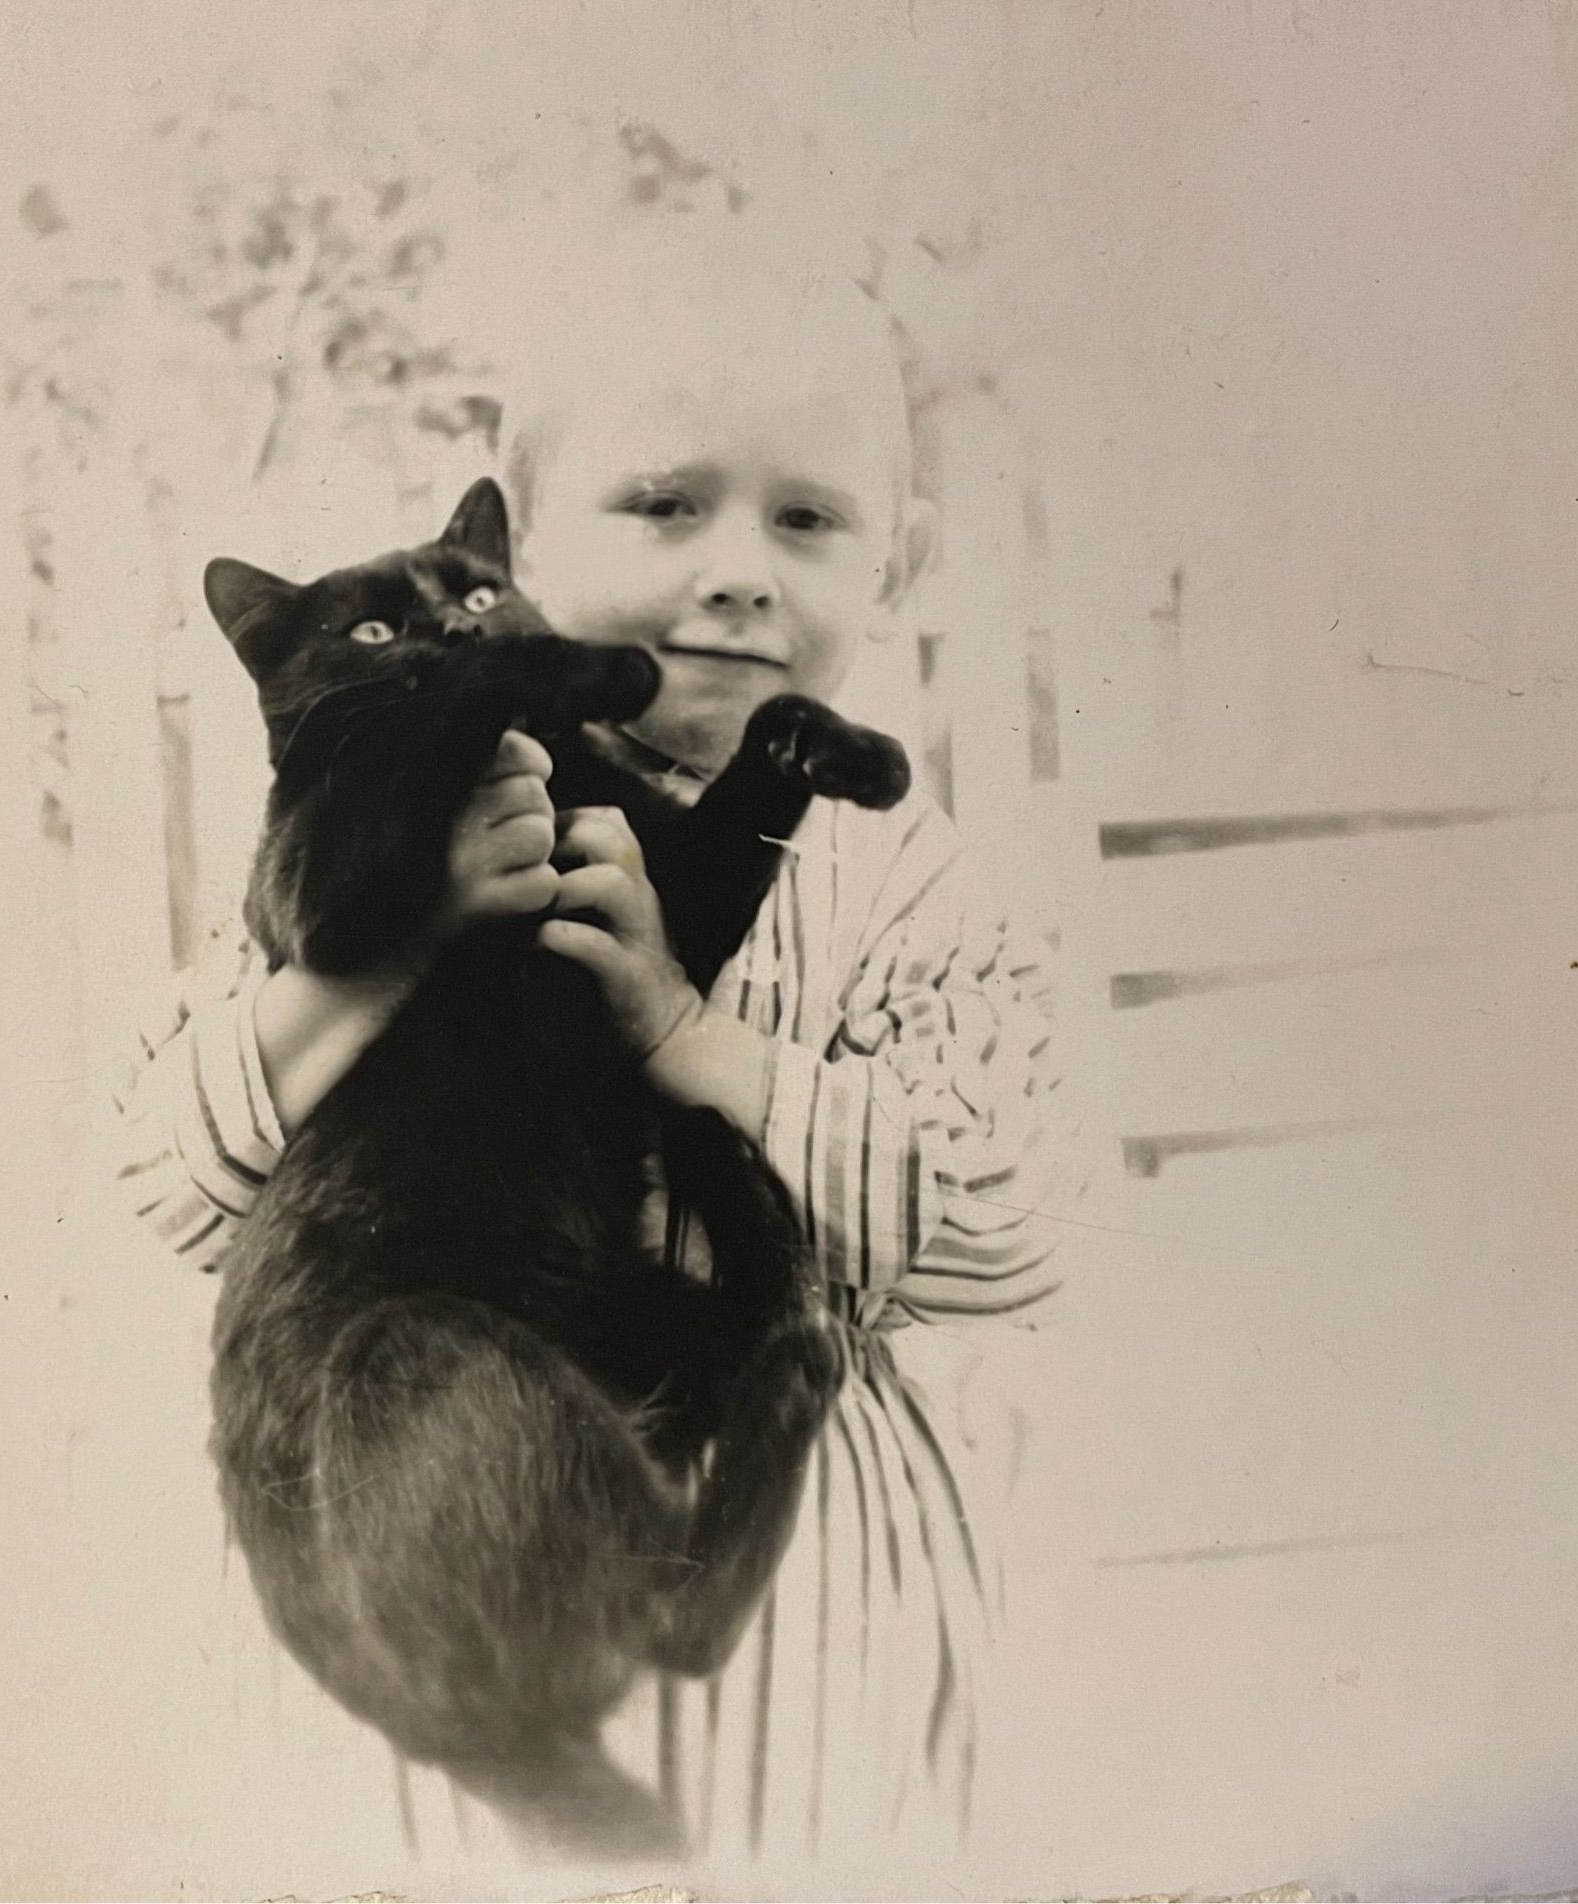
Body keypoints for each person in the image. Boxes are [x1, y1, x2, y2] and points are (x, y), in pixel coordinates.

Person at [110, 214, 1069, 1876]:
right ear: (522, 529)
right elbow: (174, 1178)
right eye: (668, 502)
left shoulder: (895, 875)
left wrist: (691, 1036)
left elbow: (1010, 1214)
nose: (739, 569)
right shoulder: (392, 816)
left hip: (798, 1573)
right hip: (435, 1528)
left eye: (810, 521)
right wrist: (388, 951)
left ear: (894, 562)